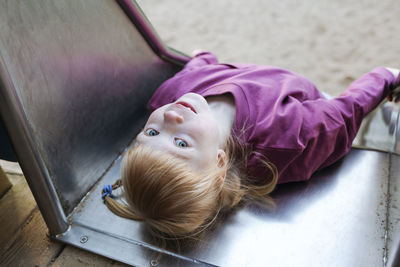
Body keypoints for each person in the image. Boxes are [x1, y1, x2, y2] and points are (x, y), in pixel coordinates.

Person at [102, 51, 400, 238]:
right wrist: (385, 78)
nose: (169, 117)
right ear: (219, 163)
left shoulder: (171, 96)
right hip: (302, 97)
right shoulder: (288, 136)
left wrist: (203, 59)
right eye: (181, 143)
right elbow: (345, 113)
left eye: (151, 134)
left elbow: (191, 73)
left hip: (241, 73)